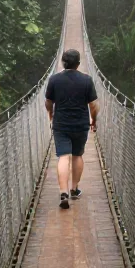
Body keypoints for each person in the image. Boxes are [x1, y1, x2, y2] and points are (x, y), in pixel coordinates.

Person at [44, 49, 99, 210]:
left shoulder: (54, 80)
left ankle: (63, 193)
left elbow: (48, 102)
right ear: (78, 64)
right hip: (81, 124)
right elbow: (94, 106)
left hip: (60, 124)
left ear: (63, 62)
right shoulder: (87, 80)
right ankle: (74, 189)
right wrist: (93, 120)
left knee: (63, 156)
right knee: (77, 155)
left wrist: (50, 115)